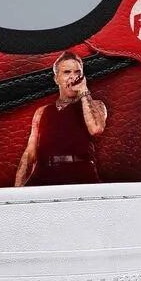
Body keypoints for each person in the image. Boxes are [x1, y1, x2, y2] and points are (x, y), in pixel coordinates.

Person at [15, 51, 108, 187]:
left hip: (80, 175)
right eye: (67, 72)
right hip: (44, 176)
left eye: (77, 72)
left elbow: (96, 129)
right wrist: (16, 191)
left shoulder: (96, 105)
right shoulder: (42, 112)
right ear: (56, 79)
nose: (73, 77)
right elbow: (29, 155)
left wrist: (83, 91)